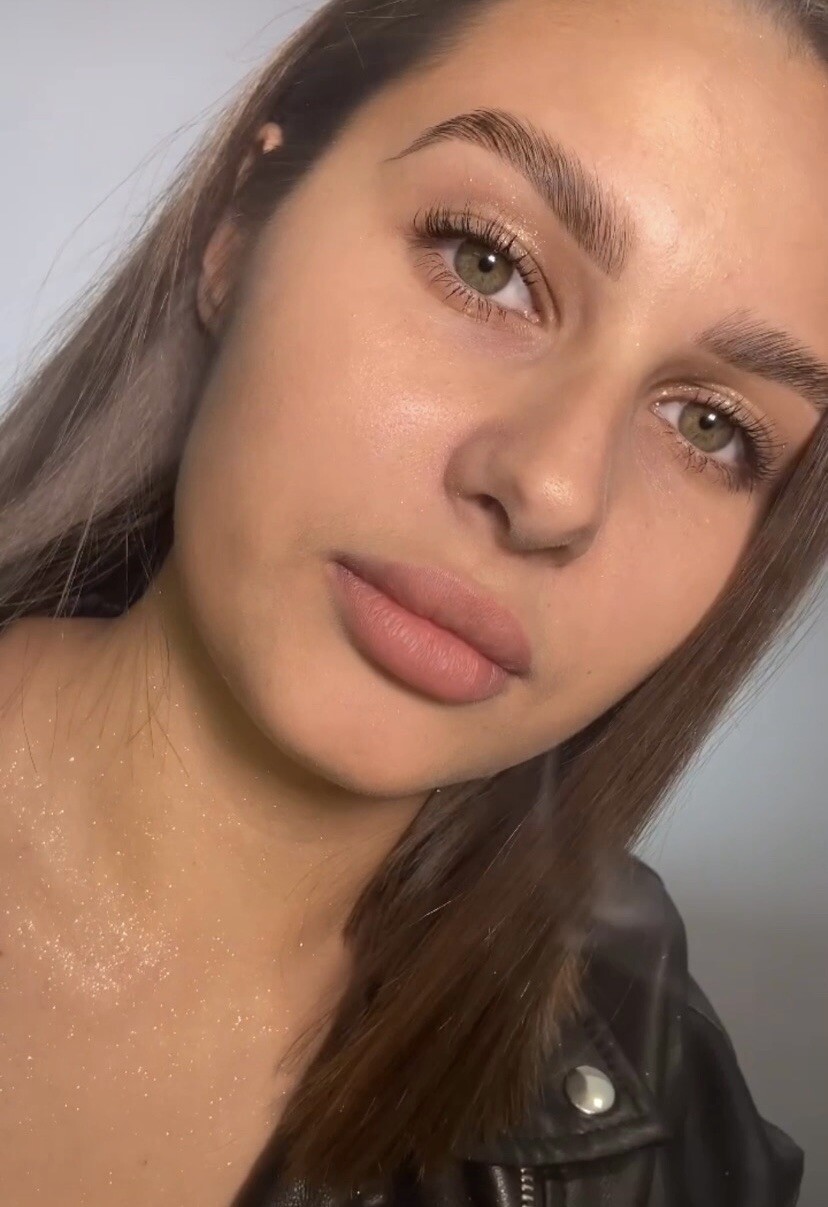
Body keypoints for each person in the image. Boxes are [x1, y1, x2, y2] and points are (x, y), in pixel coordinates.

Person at [0, 0, 824, 1203]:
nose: (552, 488)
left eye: (710, 425)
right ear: (239, 224)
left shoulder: (668, 1141)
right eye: (487, 263)